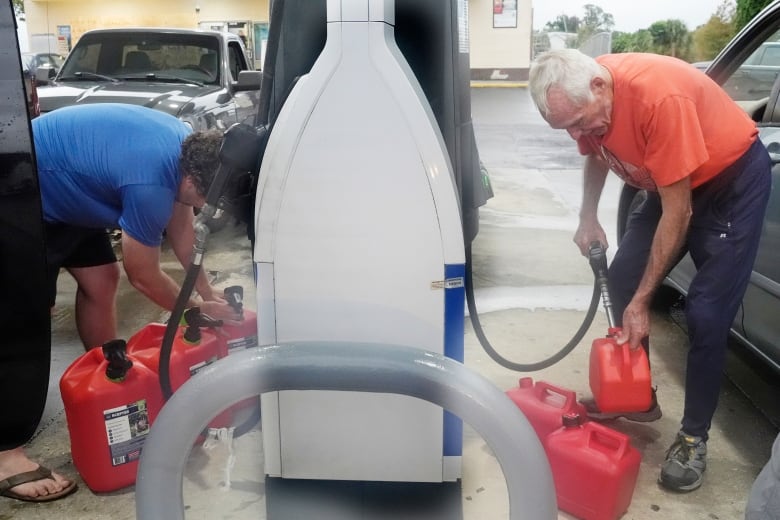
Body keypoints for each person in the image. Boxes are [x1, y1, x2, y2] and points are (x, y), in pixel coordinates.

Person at [528, 49, 771, 492]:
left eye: (580, 122)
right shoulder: (584, 96)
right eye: (568, 129)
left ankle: (694, 437)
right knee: (621, 283)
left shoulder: (659, 100)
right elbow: (596, 154)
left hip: (728, 183)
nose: (579, 135)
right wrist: (586, 215)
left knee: (706, 313)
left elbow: (679, 210)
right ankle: (636, 398)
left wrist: (646, 301)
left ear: (600, 87)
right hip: (666, 179)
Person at [34, 103, 243, 350]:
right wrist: (195, 309)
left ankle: (103, 369)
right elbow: (143, 275)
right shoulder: (151, 189)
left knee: (102, 281)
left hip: (79, 184)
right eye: (205, 200)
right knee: (31, 303)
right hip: (27, 182)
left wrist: (206, 290)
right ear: (191, 182)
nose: (205, 208)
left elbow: (183, 232)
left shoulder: (186, 152)